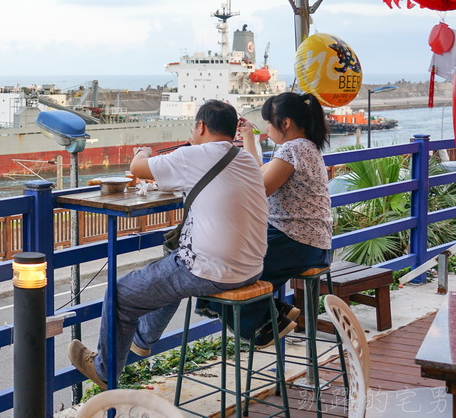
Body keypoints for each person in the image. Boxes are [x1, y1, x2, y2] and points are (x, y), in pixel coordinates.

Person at [67, 99, 268, 389]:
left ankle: (104, 369)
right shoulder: (246, 159)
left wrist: (143, 151)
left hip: (213, 271)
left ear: (201, 126)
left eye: (193, 127)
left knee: (120, 293)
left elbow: (138, 168)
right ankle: (142, 340)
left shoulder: (195, 155)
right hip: (252, 267)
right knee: (169, 263)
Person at [218, 91, 332, 348]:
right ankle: (274, 313)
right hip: (312, 243)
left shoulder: (293, 149)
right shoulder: (305, 147)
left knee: (224, 268)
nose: (267, 129)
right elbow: (258, 173)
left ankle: (269, 321)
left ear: (286, 123)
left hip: (297, 243)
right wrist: (248, 136)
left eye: (269, 122)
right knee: (231, 263)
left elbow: (259, 189)